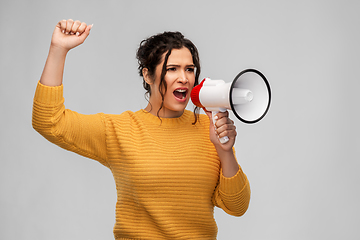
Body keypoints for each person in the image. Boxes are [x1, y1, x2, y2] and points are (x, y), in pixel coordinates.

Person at [32, 19, 251, 240]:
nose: (184, 78)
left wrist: (224, 150)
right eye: (172, 69)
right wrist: (58, 49)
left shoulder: (209, 129)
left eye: (189, 69)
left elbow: (237, 206)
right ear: (148, 75)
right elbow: (49, 120)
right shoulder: (121, 129)